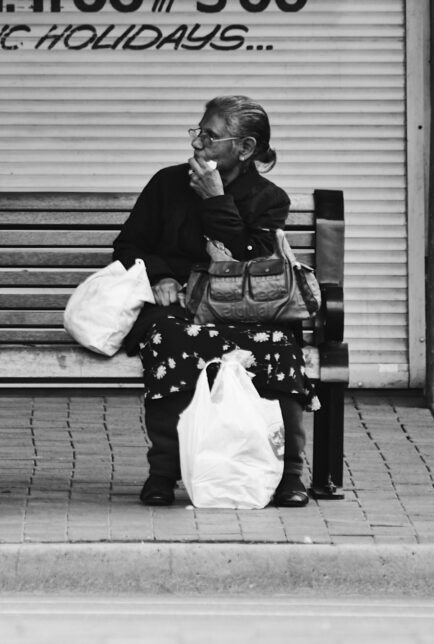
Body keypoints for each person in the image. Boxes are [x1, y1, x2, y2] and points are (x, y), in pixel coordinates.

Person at [113, 95, 314, 508]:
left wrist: (216, 200)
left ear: (245, 148)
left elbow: (253, 262)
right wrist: (161, 275)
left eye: (210, 137)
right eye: (197, 133)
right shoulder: (167, 183)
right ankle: (164, 471)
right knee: (169, 340)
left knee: (278, 346)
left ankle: (290, 472)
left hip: (248, 308)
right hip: (181, 306)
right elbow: (128, 245)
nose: (197, 145)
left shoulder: (269, 199)